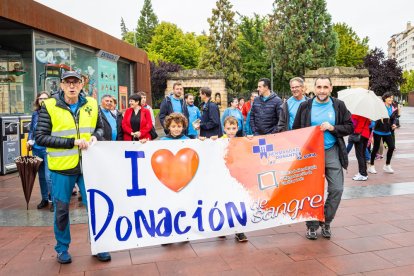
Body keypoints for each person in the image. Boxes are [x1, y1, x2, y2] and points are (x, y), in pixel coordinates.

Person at [35, 71, 111, 264]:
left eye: (75, 82)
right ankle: (61, 248)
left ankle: (99, 245)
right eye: (67, 82)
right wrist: (72, 142)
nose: (71, 86)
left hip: (88, 166)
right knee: (61, 210)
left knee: (95, 207)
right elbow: (41, 137)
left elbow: (101, 128)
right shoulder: (49, 106)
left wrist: (96, 136)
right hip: (61, 168)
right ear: (61, 85)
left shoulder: (92, 104)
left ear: (81, 85)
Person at [292, 75, 353, 240]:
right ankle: (311, 225)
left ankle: (326, 220)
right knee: (312, 191)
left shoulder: (338, 105)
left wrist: (333, 128)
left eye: (325, 87)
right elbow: (296, 130)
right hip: (311, 154)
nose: (322, 91)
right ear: (314, 88)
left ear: (331, 88)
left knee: (337, 189)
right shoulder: (305, 106)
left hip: (332, 151)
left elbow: (349, 126)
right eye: (319, 87)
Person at [27, 91, 53, 212]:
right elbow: (32, 129)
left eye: (45, 99)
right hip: (36, 149)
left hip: (48, 149)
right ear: (37, 100)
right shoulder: (35, 114)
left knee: (49, 177)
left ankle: (52, 200)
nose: (42, 100)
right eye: (40, 98)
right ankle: (44, 198)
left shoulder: (52, 112)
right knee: (41, 176)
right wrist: (29, 140)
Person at [368, 92, 397, 174]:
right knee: (376, 148)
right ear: (385, 98)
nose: (391, 99)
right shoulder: (380, 107)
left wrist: (394, 124)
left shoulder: (392, 107)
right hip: (378, 130)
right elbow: (374, 115)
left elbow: (393, 118)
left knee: (391, 147)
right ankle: (371, 166)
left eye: (392, 97)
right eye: (389, 97)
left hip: (387, 131)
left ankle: (387, 165)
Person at [349, 115, 371, 181]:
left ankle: (362, 174)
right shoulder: (367, 114)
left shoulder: (355, 114)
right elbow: (370, 124)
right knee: (363, 154)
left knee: (359, 155)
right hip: (366, 135)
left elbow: (353, 124)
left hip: (359, 135)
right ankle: (364, 173)